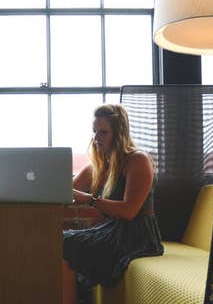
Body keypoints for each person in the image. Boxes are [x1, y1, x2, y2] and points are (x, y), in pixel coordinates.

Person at [63, 104, 164, 304]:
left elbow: (129, 211)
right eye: (94, 132)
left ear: (118, 134)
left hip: (137, 235)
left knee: (65, 243)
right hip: (112, 231)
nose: (96, 138)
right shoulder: (99, 166)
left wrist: (89, 199)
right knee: (58, 240)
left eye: (103, 132)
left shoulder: (138, 160)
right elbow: (65, 191)